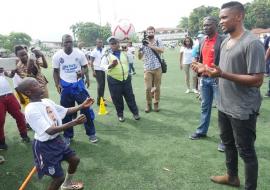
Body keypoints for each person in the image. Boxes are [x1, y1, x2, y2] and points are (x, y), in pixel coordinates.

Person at [192, 2, 265, 189]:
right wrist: (205, 69)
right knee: (228, 144)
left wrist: (222, 74)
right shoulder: (225, 41)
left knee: (246, 151)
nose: (221, 21)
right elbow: (221, 70)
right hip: (224, 104)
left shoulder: (252, 43)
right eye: (221, 17)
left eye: (224, 17)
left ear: (239, 16)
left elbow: (257, 80)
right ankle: (232, 177)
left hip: (242, 108)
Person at [17, 77, 95, 190]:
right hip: (44, 147)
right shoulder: (31, 109)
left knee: (75, 160)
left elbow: (65, 110)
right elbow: (50, 130)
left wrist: (82, 105)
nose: (40, 84)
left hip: (57, 140)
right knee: (58, 178)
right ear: (28, 92)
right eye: (35, 84)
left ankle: (67, 185)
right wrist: (74, 122)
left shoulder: (46, 101)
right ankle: (63, 183)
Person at [52, 34, 97, 145]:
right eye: (66, 42)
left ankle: (91, 134)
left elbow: (85, 67)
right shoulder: (57, 56)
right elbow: (55, 71)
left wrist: (83, 73)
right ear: (62, 43)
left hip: (78, 85)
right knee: (66, 112)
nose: (68, 44)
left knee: (86, 109)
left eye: (70, 42)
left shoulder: (79, 53)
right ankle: (68, 136)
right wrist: (57, 84)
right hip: (65, 86)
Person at [189, 17, 225, 155]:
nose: (205, 27)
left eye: (208, 25)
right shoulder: (202, 40)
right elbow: (201, 59)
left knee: (223, 110)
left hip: (217, 80)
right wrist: (197, 66)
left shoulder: (223, 40)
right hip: (204, 80)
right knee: (205, 107)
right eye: (204, 25)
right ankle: (201, 132)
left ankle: (225, 139)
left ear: (216, 25)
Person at [101, 36, 140, 122]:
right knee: (117, 98)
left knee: (130, 97)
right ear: (110, 45)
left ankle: (135, 113)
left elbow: (131, 60)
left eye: (116, 43)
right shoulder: (107, 55)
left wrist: (128, 51)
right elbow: (102, 66)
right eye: (112, 43)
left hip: (126, 79)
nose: (114, 45)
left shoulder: (124, 52)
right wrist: (111, 65)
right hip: (114, 80)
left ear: (119, 43)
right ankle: (120, 115)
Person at [0, 67, 30, 150]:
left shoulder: (1, 64)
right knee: (0, 120)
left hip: (9, 95)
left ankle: (24, 135)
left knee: (19, 115)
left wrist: (13, 72)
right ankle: (1, 142)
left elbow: (10, 75)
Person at [138, 26, 164, 112]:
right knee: (148, 88)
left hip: (157, 67)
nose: (150, 34)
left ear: (154, 32)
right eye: (148, 32)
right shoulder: (143, 43)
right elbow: (139, 57)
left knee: (157, 87)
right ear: (146, 33)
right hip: (147, 68)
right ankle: (148, 105)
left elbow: (162, 50)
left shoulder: (158, 40)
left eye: (151, 32)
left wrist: (150, 46)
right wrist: (140, 51)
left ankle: (156, 104)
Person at [89, 39, 106, 106]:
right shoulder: (94, 52)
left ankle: (102, 98)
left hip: (102, 69)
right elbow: (91, 62)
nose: (100, 43)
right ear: (96, 43)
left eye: (101, 42)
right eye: (99, 42)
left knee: (103, 85)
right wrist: (93, 71)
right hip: (97, 69)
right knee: (100, 85)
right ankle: (99, 101)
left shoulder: (103, 50)